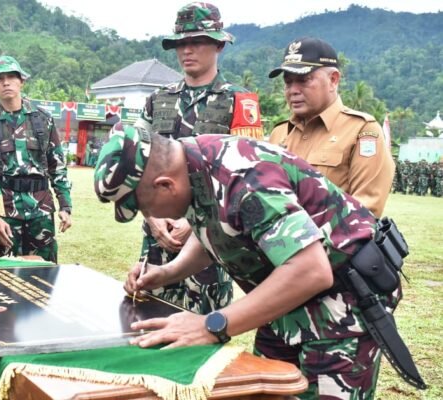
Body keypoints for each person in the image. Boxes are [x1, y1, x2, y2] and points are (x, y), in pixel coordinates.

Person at [93, 124, 421, 399]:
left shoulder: (243, 178)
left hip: (340, 306)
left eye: (144, 206)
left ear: (166, 185)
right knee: (268, 391)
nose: (149, 215)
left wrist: (211, 325)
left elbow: (311, 270)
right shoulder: (191, 165)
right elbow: (215, 232)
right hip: (284, 300)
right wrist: (167, 272)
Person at [133, 2, 263, 314]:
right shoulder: (158, 100)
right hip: (157, 238)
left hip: (210, 243)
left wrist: (192, 225)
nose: (187, 50)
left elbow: (246, 178)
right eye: (181, 43)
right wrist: (152, 217)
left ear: (219, 45)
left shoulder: (239, 101)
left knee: (205, 326)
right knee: (146, 320)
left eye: (197, 42)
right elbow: (136, 165)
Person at [268, 37, 394, 218]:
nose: (293, 90)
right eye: (288, 82)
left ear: (333, 80)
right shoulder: (279, 133)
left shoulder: (361, 130)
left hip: (331, 236)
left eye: (303, 80)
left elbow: (366, 209)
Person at [0, 56, 72, 262]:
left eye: (11, 77)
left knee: (43, 272)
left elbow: (57, 165)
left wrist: (65, 206)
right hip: (4, 213)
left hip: (41, 211)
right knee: (1, 272)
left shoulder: (43, 120)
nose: (6, 83)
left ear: (21, 81)